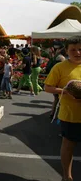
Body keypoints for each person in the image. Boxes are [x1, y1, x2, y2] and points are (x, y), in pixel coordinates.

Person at [44, 36, 81, 181]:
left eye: (80, 49)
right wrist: (64, 92)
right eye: (73, 50)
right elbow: (48, 87)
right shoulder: (59, 67)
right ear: (66, 50)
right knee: (68, 146)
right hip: (69, 115)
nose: (77, 52)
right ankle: (67, 176)